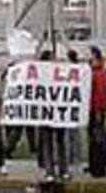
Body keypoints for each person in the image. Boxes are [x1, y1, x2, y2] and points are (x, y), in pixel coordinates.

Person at [37, 49, 68, 183]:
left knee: (55, 142)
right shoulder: (48, 75)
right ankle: (56, 170)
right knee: (50, 142)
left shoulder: (55, 74)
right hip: (48, 113)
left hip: (55, 113)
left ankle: (58, 170)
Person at [88, 46, 106, 178]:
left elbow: (100, 95)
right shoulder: (99, 72)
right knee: (97, 136)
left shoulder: (98, 74)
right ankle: (99, 163)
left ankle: (98, 166)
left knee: (97, 137)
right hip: (96, 109)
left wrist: (98, 110)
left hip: (96, 109)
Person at [66, 50, 82, 173]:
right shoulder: (80, 69)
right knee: (74, 133)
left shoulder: (68, 71)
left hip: (70, 105)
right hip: (76, 104)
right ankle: (75, 157)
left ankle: (72, 157)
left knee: (70, 134)